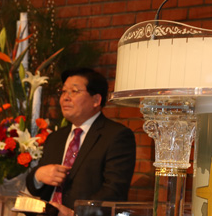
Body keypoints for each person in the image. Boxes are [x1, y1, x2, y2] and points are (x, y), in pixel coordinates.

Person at [25, 68, 136, 216]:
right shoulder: (56, 137)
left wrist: (76, 213)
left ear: (96, 100)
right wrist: (38, 176)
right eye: (63, 91)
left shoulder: (116, 136)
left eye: (74, 91)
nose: (65, 98)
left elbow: (114, 190)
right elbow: (35, 188)